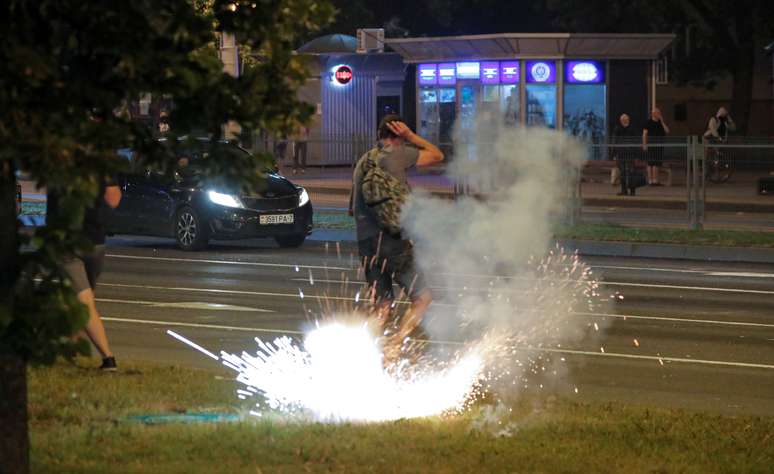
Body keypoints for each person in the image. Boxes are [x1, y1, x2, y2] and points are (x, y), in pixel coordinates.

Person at [350, 115, 443, 355]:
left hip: (366, 243)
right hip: (391, 241)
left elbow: (353, 209)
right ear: (398, 135)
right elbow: (436, 155)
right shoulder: (398, 154)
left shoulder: (363, 162)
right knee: (423, 297)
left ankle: (368, 351)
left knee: (382, 306)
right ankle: (395, 344)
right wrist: (411, 136)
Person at [47, 176, 122, 370]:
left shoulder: (55, 160)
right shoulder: (99, 160)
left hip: (67, 241)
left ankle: (108, 359)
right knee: (81, 300)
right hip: (95, 239)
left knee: (84, 303)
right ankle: (68, 354)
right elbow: (113, 198)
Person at [612, 113, 640, 196]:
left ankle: (630, 191)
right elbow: (614, 141)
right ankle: (627, 191)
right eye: (623, 119)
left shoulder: (622, 128)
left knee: (629, 172)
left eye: (625, 119)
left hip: (628, 153)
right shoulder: (619, 128)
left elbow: (614, 142)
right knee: (624, 173)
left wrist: (614, 153)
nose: (624, 120)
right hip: (623, 153)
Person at [642, 107, 670, 186]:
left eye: (659, 113)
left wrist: (662, 121)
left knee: (656, 163)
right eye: (657, 113)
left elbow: (667, 131)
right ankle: (650, 180)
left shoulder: (660, 123)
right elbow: (644, 134)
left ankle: (655, 180)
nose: (658, 114)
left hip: (659, 145)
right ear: (653, 114)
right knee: (650, 163)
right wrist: (644, 144)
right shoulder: (648, 122)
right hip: (651, 145)